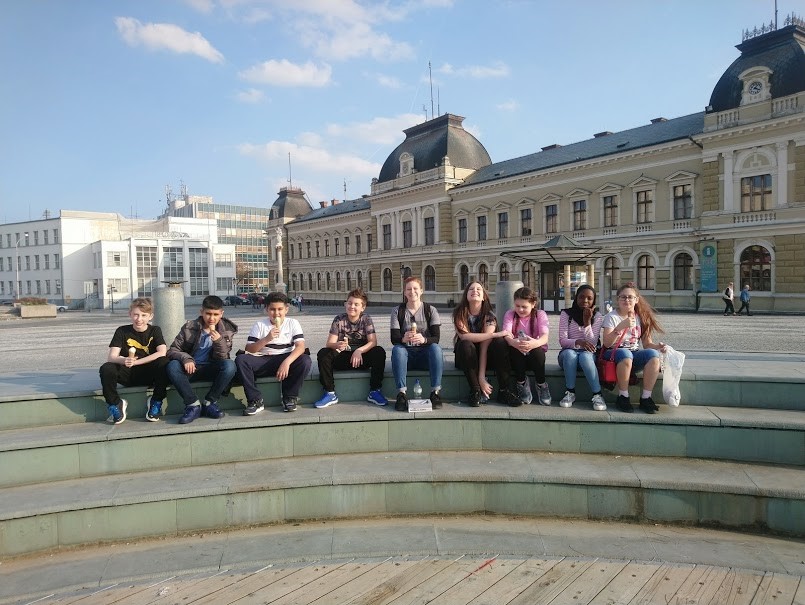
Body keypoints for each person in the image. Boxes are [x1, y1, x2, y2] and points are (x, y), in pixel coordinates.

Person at [235, 292, 312, 414]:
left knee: (305, 360)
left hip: (286, 357)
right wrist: (266, 339)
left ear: (286, 309)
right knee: (241, 360)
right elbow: (250, 349)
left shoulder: (292, 323)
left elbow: (300, 347)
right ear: (266, 309)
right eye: (272, 309)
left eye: (280, 309)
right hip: (264, 360)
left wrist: (286, 362)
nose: (276, 313)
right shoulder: (260, 325)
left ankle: (289, 397)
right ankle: (255, 400)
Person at [164, 295, 237, 424]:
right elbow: (173, 350)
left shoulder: (226, 331)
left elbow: (223, 357)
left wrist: (219, 341)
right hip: (190, 369)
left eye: (215, 314)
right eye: (208, 314)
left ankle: (210, 402)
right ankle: (192, 404)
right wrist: (186, 359)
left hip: (211, 368)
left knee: (230, 366)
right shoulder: (189, 327)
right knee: (172, 366)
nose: (212, 318)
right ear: (201, 312)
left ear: (221, 314)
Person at [98, 297, 170, 425]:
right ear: (130, 314)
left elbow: (162, 352)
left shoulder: (155, 330)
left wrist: (137, 362)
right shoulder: (122, 331)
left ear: (150, 316)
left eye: (143, 315)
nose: (139, 319)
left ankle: (156, 401)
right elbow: (112, 357)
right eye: (136, 314)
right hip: (128, 374)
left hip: (149, 376)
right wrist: (124, 359)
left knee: (164, 362)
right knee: (107, 368)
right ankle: (115, 403)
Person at [314, 288, 388, 408]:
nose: (352, 306)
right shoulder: (339, 319)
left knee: (379, 352)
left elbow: (373, 342)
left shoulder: (366, 319)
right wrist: (337, 345)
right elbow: (329, 343)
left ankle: (375, 391)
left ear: (362, 308)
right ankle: (329, 392)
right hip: (343, 358)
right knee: (323, 353)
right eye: (349, 303)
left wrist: (359, 350)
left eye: (356, 304)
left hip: (361, 359)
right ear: (345, 304)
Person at [601, 282, 667, 414]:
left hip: (633, 354)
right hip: (613, 355)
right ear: (617, 299)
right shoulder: (611, 317)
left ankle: (646, 398)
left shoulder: (641, 318)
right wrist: (620, 327)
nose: (627, 300)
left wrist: (658, 347)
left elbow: (647, 344)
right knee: (626, 354)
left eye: (630, 297)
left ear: (636, 300)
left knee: (653, 355)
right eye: (623, 297)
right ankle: (623, 396)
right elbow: (607, 343)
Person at [452, 281, 519, 407]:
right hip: (466, 357)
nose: (475, 291)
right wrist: (494, 334)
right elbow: (464, 336)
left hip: (485, 356)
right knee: (465, 343)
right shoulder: (459, 313)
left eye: (479, 289)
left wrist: (482, 376)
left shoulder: (489, 316)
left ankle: (504, 390)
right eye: (471, 289)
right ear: (466, 295)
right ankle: (475, 390)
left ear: (484, 297)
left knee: (500, 343)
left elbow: (484, 345)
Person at [390, 276, 444, 411]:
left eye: (415, 288)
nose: (412, 291)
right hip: (406, 356)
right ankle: (401, 394)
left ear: (421, 291)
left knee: (436, 349)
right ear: (404, 292)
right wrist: (403, 338)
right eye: (408, 289)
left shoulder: (430, 310)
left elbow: (436, 338)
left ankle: (435, 392)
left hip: (424, 356)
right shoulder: (397, 311)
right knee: (397, 349)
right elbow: (394, 338)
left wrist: (424, 339)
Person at [557, 284, 607, 411]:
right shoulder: (566, 314)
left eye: (589, 298)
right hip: (567, 357)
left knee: (585, 356)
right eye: (581, 297)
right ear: (576, 298)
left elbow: (592, 342)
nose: (585, 301)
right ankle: (570, 392)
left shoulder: (597, 316)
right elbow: (563, 341)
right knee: (570, 354)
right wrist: (578, 341)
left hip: (587, 357)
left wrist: (587, 323)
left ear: (593, 300)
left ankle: (597, 394)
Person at [502, 287, 552, 406]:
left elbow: (545, 337)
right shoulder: (510, 314)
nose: (520, 309)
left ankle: (541, 384)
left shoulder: (540, 314)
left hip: (534, 355)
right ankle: (522, 382)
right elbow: (506, 334)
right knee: (515, 350)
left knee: (537, 351)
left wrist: (534, 343)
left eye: (524, 307)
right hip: (517, 354)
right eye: (517, 305)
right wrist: (514, 342)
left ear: (533, 304)